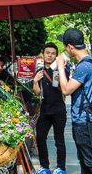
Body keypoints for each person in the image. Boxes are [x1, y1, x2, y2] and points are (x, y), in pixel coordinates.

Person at [56, 28, 92, 174]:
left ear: (70, 47)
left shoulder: (84, 66)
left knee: (88, 162)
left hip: (84, 122)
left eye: (64, 46)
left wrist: (59, 66)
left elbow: (66, 90)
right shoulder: (87, 64)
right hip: (85, 120)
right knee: (85, 162)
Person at [33, 42, 68, 174]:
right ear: (43, 54)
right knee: (40, 138)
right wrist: (35, 81)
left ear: (56, 56)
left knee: (59, 140)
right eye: (47, 53)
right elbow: (36, 93)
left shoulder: (62, 70)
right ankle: (44, 167)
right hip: (45, 110)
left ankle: (60, 168)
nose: (50, 55)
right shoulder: (39, 72)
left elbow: (59, 86)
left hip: (59, 110)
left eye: (53, 53)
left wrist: (60, 70)